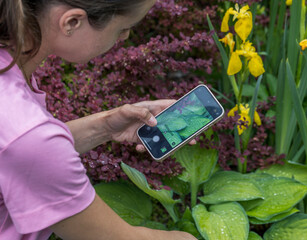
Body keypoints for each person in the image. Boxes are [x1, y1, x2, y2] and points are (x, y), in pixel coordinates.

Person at [0, 0, 198, 239]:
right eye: (123, 27)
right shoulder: (28, 134)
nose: (125, 37)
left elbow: (15, 155)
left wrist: (105, 126)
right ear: (72, 22)